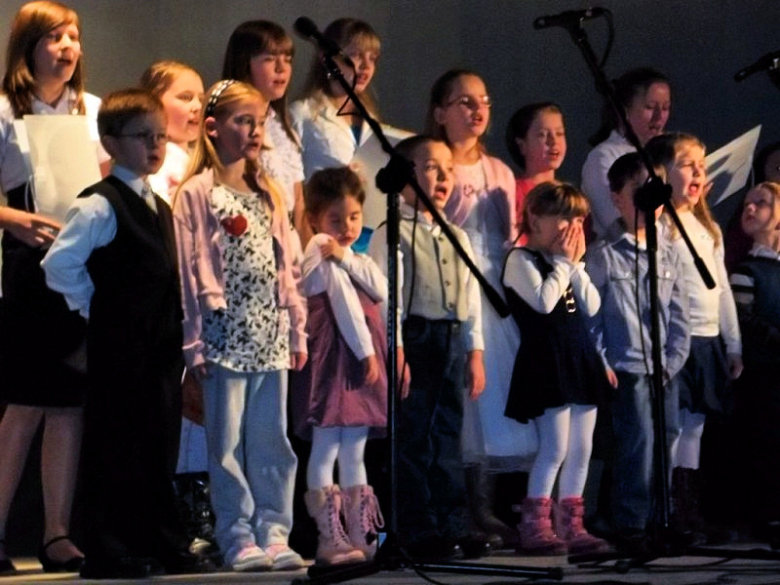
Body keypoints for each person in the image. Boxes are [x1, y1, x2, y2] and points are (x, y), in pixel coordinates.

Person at [42, 89, 211, 578]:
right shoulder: (100, 205)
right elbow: (60, 264)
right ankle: (110, 546)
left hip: (159, 349)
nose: (155, 146)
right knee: (117, 446)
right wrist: (93, 307)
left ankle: (156, 539)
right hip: (119, 348)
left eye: (160, 136)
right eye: (143, 137)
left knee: (157, 446)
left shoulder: (157, 204)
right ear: (112, 143)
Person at [172, 80, 307, 572]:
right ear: (213, 127)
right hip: (222, 337)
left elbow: (288, 267)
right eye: (242, 120)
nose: (253, 131)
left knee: (272, 441)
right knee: (225, 444)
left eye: (259, 121)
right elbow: (189, 273)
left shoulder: (267, 189)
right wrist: (194, 341)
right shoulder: (197, 193)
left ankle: (275, 531)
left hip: (269, 336)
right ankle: (236, 535)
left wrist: (296, 329)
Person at [0, 1, 107, 575]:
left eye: (74, 37)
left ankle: (57, 532)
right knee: (25, 403)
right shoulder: (3, 111)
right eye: (55, 37)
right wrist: (14, 219)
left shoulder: (92, 110)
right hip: (28, 271)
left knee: (69, 405)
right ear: (28, 46)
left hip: (83, 268)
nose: (68, 47)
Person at [369, 135, 489, 561]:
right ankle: (416, 528)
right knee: (414, 437)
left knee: (447, 436)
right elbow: (389, 298)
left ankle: (452, 523)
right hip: (415, 339)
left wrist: (474, 350)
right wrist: (396, 348)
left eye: (448, 169)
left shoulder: (458, 234)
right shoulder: (393, 231)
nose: (443, 177)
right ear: (405, 177)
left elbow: (471, 297)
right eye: (431, 167)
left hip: (451, 340)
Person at [426, 68, 525, 549]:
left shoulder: (500, 170)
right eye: (464, 101)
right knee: (461, 406)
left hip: (492, 289)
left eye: (483, 100)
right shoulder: (433, 164)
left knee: (489, 408)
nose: (477, 109)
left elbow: (506, 241)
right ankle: (458, 508)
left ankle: (487, 508)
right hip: (452, 284)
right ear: (441, 112)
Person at [586, 153, 690, 551]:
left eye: (656, 190)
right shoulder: (604, 254)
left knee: (667, 437)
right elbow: (591, 317)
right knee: (637, 442)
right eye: (639, 190)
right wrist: (603, 360)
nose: (651, 199)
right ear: (616, 197)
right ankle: (630, 521)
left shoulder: (668, 251)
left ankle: (660, 518)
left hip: (664, 367)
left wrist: (674, 359)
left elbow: (679, 312)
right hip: (626, 365)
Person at [502, 182, 610, 555]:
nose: (572, 227)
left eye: (578, 219)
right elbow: (544, 303)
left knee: (582, 448)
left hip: (580, 359)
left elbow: (592, 307)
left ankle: (572, 525)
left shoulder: (567, 264)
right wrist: (564, 263)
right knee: (555, 447)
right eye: (563, 217)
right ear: (536, 217)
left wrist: (575, 266)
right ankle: (535, 525)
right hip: (547, 362)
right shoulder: (521, 260)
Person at [648, 132, 742, 540]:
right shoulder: (661, 226)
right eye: (688, 164)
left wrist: (733, 343)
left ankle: (687, 503)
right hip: (675, 343)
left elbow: (720, 289)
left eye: (702, 166)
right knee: (670, 425)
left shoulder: (708, 229)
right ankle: (663, 505)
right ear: (663, 172)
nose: (698, 172)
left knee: (694, 426)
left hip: (707, 341)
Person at [137, 59, 214, 555]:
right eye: (183, 96)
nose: (195, 105)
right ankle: (169, 518)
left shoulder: (204, 164)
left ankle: (201, 515)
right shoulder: (151, 167)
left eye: (199, 97)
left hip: (205, 306)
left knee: (203, 416)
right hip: (165, 307)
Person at [292, 166, 387, 565]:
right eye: (336, 219)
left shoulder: (351, 254)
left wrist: (348, 254)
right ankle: (329, 535)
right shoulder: (317, 246)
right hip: (337, 358)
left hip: (357, 357)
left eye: (353, 217)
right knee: (327, 445)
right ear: (314, 218)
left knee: (355, 449)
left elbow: (380, 289)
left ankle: (358, 531)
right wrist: (366, 353)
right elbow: (345, 306)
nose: (346, 227)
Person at [222, 19, 311, 248]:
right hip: (253, 241)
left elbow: (298, 201)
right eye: (270, 59)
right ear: (244, 63)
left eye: (287, 60)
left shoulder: (282, 126)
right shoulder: (230, 125)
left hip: (289, 244)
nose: (281, 68)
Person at [729, 181, 780, 532]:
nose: (750, 208)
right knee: (765, 443)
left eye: (761, 203)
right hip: (763, 375)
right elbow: (743, 319)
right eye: (747, 203)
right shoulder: (746, 270)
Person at [582, 68, 671, 238]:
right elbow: (615, 221)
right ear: (624, 111)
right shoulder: (603, 157)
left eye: (665, 108)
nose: (659, 117)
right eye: (650, 107)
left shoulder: (664, 152)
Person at [290, 17, 381, 181]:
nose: (366, 66)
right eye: (355, 55)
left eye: (372, 58)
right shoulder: (302, 114)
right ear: (326, 58)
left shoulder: (370, 119)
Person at [140, 60, 204, 205]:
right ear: (153, 103)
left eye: (201, 99)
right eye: (186, 97)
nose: (198, 106)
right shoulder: (152, 162)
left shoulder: (202, 159)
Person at [506, 102, 567, 242]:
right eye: (542, 135)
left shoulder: (569, 196)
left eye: (559, 133)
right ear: (522, 145)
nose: (553, 141)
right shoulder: (513, 192)